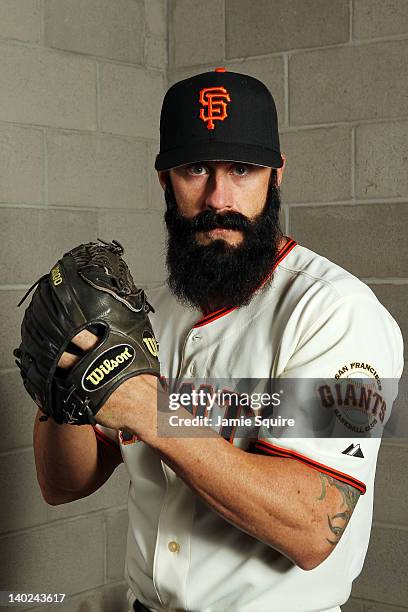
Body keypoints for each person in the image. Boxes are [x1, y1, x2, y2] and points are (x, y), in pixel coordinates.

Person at [33, 69, 404, 612]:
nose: (218, 197)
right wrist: (58, 387)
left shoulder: (337, 313)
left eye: (243, 168)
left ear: (276, 176)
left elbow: (310, 529)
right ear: (165, 179)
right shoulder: (148, 314)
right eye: (197, 168)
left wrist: (150, 409)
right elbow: (63, 484)